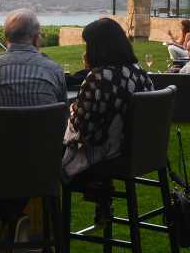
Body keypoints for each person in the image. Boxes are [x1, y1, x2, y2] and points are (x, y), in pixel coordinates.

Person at [0, 9, 67, 235]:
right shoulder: (54, 70)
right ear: (36, 36)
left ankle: (2, 217)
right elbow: (62, 125)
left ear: (5, 37)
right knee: (23, 164)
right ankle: (13, 218)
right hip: (43, 168)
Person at [63, 18, 153, 227]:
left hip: (110, 157)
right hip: (139, 153)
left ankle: (42, 231)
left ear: (97, 48)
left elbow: (85, 130)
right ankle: (101, 193)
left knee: (52, 159)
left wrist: (73, 110)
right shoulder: (140, 73)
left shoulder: (98, 77)